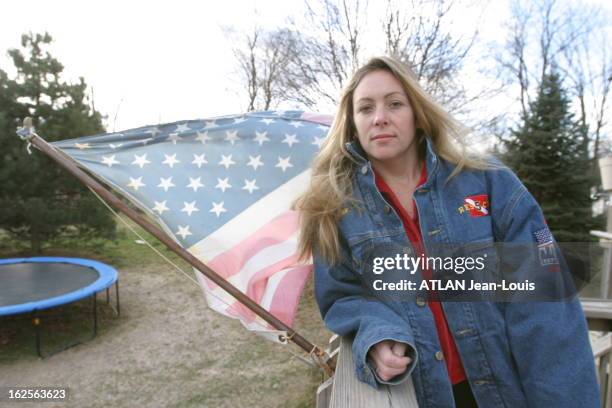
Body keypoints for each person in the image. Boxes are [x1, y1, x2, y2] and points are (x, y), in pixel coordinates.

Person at [294, 56, 599, 407]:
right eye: (365, 108)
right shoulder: (335, 209)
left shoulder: (488, 181)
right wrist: (376, 334)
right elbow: (343, 295)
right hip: (420, 394)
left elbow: (547, 310)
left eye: (394, 103)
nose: (380, 117)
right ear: (352, 123)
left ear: (417, 113)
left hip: (507, 390)